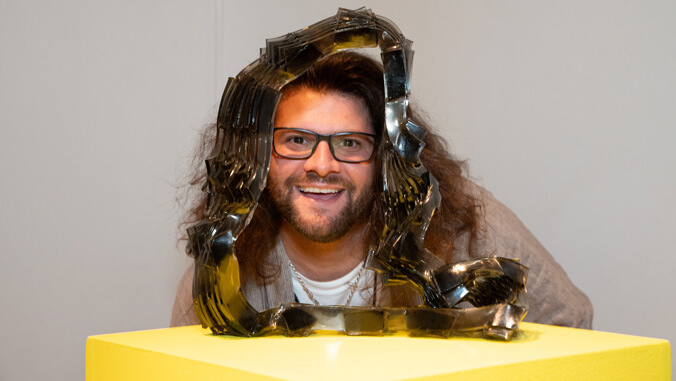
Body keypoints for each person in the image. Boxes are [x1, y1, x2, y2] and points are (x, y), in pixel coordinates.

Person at [171, 52, 593, 329]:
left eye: (350, 143)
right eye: (296, 140)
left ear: (386, 159)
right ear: (259, 155)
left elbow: (570, 320)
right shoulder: (223, 266)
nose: (321, 165)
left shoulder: (463, 221)